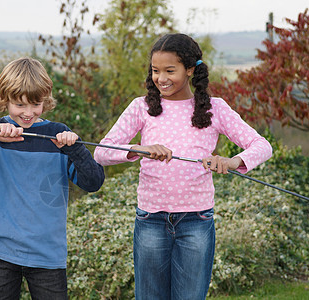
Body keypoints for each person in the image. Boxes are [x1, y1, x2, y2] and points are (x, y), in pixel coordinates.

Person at [93, 33, 272, 300]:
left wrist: (233, 161)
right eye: (155, 71)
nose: (161, 78)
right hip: (150, 220)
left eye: (169, 71)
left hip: (196, 221)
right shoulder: (141, 108)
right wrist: (137, 149)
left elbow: (262, 145)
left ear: (190, 70)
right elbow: (101, 152)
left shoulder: (215, 109)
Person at [0, 57, 105, 300]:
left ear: (45, 99)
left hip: (47, 253)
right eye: (19, 105)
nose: (28, 113)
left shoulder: (57, 136)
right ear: (4, 99)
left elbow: (93, 182)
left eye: (35, 104)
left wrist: (74, 148)